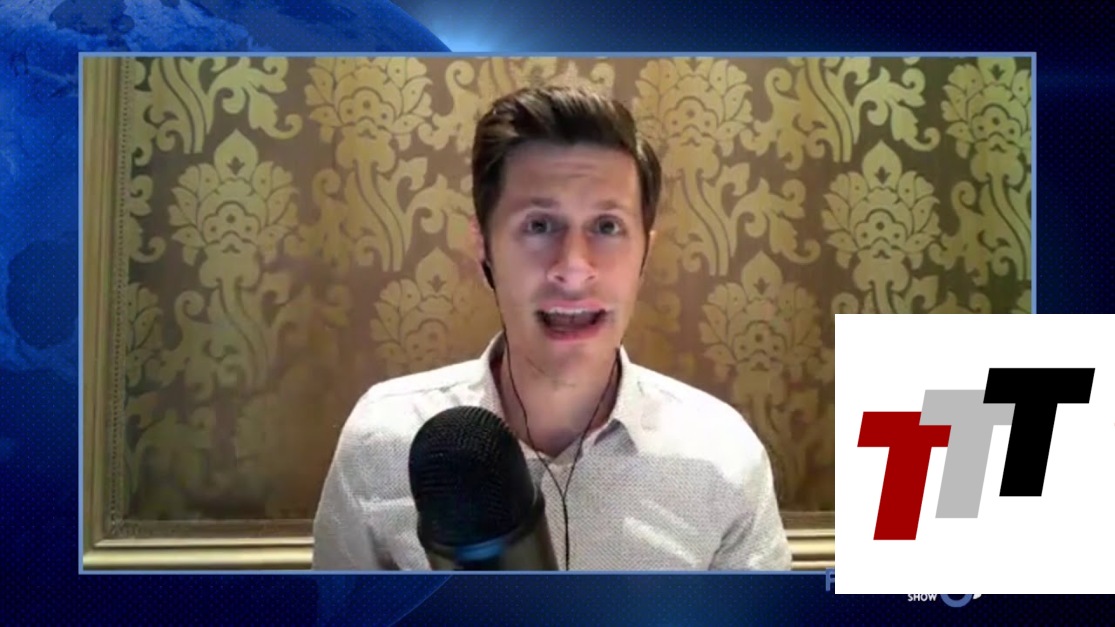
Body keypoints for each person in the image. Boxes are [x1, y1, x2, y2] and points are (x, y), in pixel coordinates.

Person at [312, 85, 792, 571]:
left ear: (645, 252)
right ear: (483, 246)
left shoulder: (724, 458)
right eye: (539, 225)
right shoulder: (381, 443)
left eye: (607, 227)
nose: (573, 268)